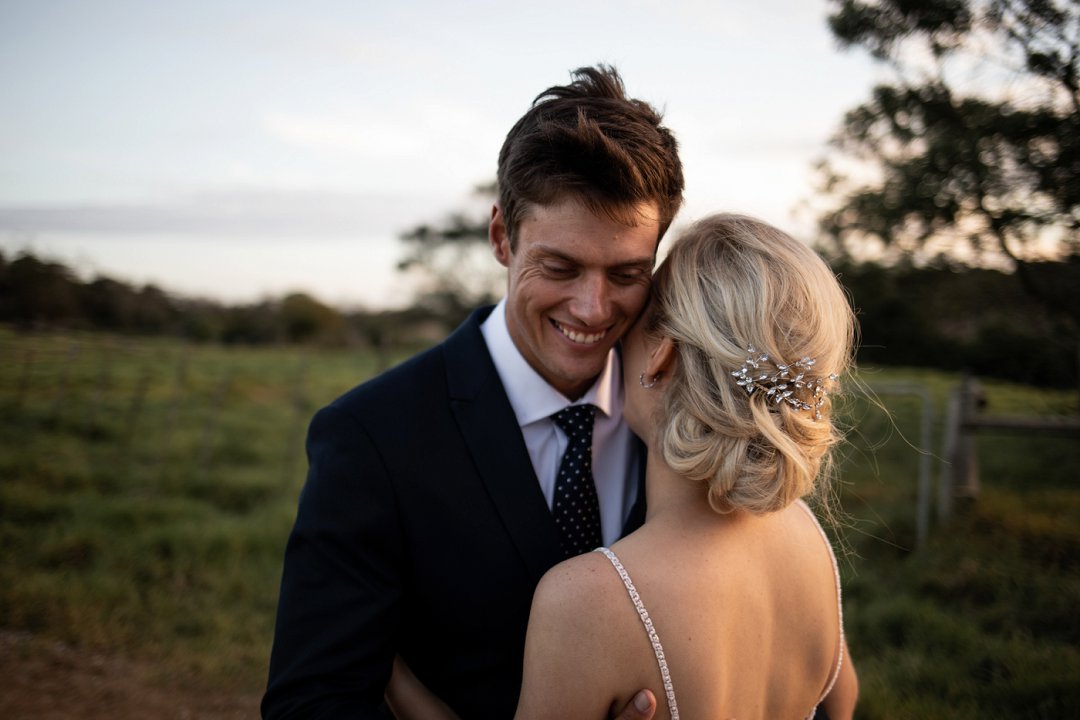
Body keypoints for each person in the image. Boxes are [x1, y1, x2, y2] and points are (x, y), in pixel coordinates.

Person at [261, 64, 684, 720]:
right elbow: (312, 704)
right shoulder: (371, 436)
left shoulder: (681, 419)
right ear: (500, 237)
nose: (594, 308)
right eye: (560, 267)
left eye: (627, 272)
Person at [510, 214, 860, 719]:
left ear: (661, 356)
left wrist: (400, 685)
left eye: (632, 327)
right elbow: (841, 705)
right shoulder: (809, 537)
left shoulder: (589, 602)